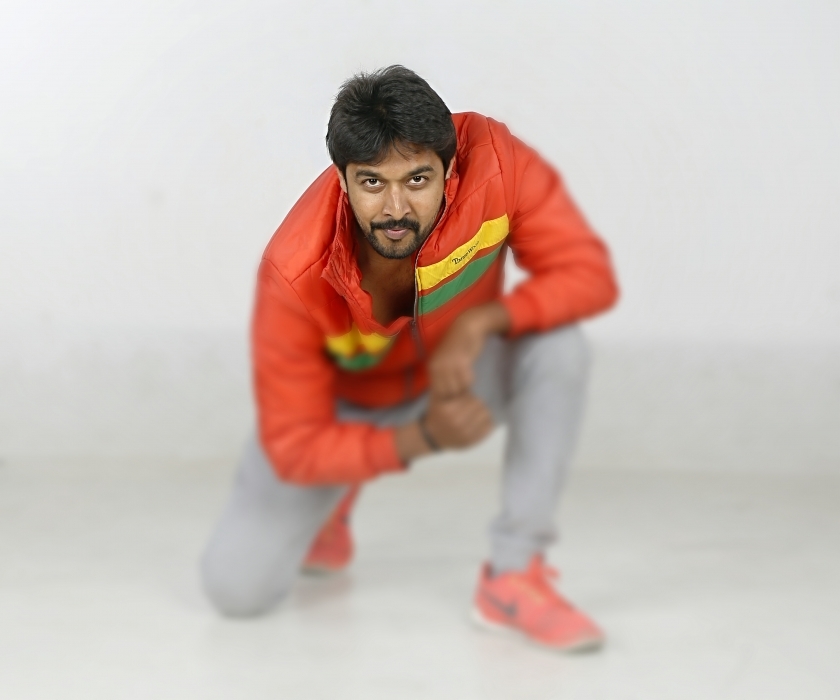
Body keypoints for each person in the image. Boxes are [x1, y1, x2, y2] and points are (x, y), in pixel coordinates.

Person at [201, 65, 618, 652]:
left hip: (454, 371)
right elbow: (294, 445)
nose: (395, 208)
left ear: (450, 168)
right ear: (342, 180)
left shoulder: (494, 160)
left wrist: (484, 322)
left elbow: (587, 273)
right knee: (235, 590)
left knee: (557, 348)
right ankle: (333, 500)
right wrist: (419, 438)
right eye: (372, 182)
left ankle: (513, 575)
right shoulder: (292, 272)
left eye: (418, 179)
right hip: (343, 411)